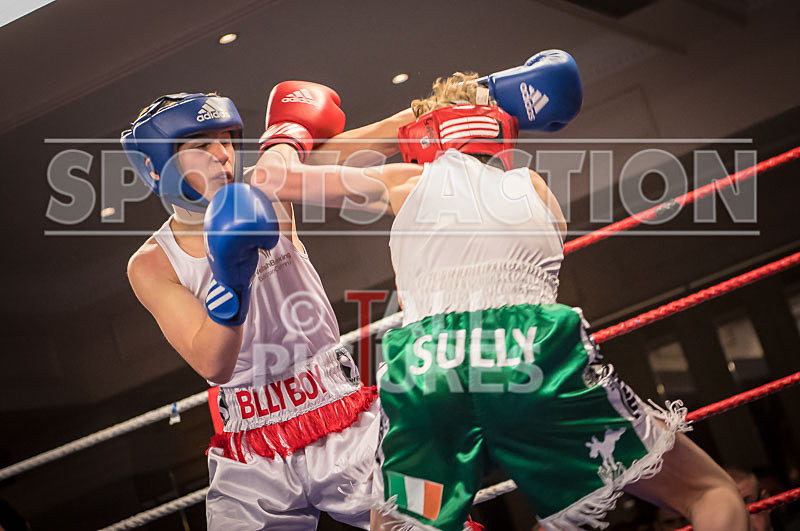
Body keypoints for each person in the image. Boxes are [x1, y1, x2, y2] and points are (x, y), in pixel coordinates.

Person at [355, 50, 749, 530]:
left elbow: (286, 176)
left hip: (429, 375)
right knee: (711, 491)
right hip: (536, 363)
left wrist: (406, 122)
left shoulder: (404, 182)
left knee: (396, 520)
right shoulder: (536, 190)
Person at [122, 85, 414, 529]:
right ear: (157, 164)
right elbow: (211, 362)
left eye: (226, 140)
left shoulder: (270, 185)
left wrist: (428, 113)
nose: (222, 154)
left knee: (422, 519)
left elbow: (367, 143)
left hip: (341, 409)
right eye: (202, 145)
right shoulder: (152, 263)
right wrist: (231, 285)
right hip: (252, 446)